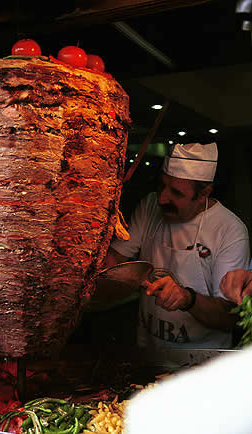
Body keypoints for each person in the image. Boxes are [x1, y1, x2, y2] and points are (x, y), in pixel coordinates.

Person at [105, 142, 251, 349]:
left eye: (176, 192)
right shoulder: (150, 205)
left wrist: (187, 299)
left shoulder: (229, 230)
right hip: (148, 351)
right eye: (162, 185)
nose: (163, 198)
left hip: (202, 362)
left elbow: (229, 318)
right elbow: (116, 257)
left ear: (203, 194)